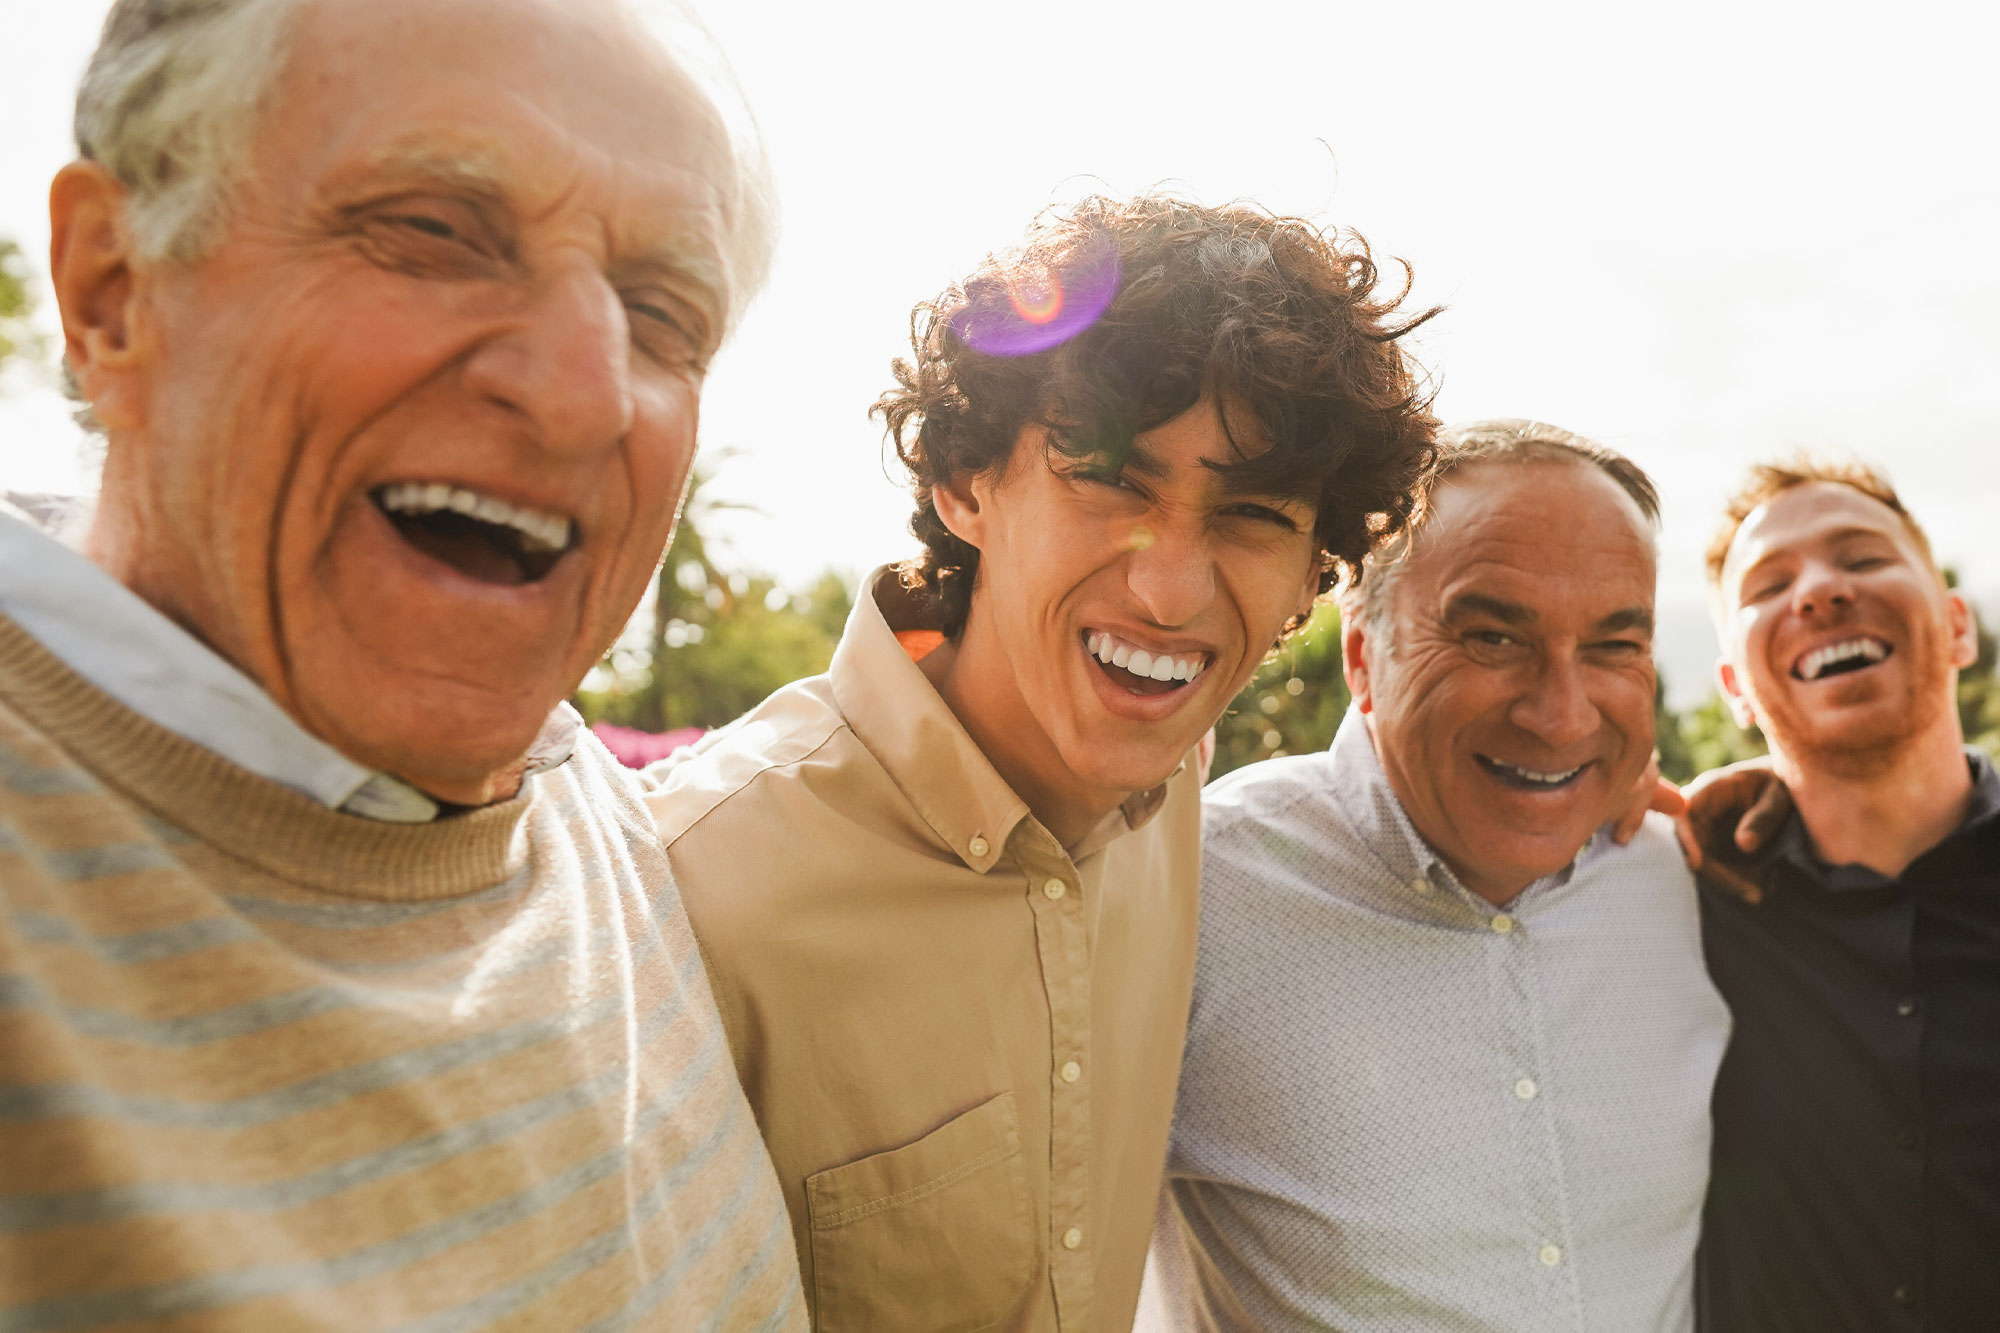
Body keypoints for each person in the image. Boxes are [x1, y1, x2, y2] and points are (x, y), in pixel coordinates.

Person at [0, 0, 803, 1325]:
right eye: (432, 234)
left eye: (662, 311)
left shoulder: (580, 801)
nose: (584, 393)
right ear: (114, 290)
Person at [642, 195, 1440, 1330]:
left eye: (1253, 513)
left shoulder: (1168, 783)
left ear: (1313, 572)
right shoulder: (698, 888)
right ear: (963, 486)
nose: (1169, 588)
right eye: (1110, 479)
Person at [1152, 421, 1731, 1331]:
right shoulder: (1189, 893)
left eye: (1615, 645)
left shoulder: (1692, 879)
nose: (1561, 714)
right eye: (1494, 636)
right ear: (1361, 657)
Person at [1697, 458, 2000, 1331]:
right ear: (1736, 692)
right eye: (1772, 582)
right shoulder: (1671, 897)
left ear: (1957, 625)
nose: (1822, 592)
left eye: (1862, 559)